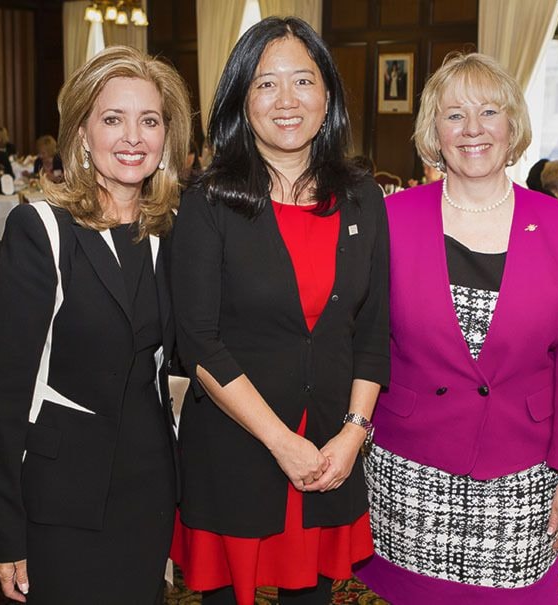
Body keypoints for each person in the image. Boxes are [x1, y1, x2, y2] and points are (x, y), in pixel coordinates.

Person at [355, 52, 558, 604]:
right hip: (411, 473)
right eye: (454, 115)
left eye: (489, 111)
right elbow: (360, 339)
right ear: (433, 132)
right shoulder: (391, 220)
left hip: (522, 475)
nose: (472, 130)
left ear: (512, 125)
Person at [170, 16, 389, 605]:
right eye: (266, 84)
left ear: (328, 95)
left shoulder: (364, 198)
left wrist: (352, 434)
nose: (287, 100)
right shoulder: (209, 200)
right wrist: (280, 442)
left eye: (303, 81)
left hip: (331, 449)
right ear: (243, 98)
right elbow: (199, 342)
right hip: (237, 445)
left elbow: (373, 331)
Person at [0, 45, 191, 604]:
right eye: (112, 119)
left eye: (149, 121)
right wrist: (4, 530)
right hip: (61, 499)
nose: (132, 137)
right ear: (81, 134)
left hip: (147, 491)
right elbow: (2, 395)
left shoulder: (170, 233)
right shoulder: (39, 230)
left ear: (166, 137)